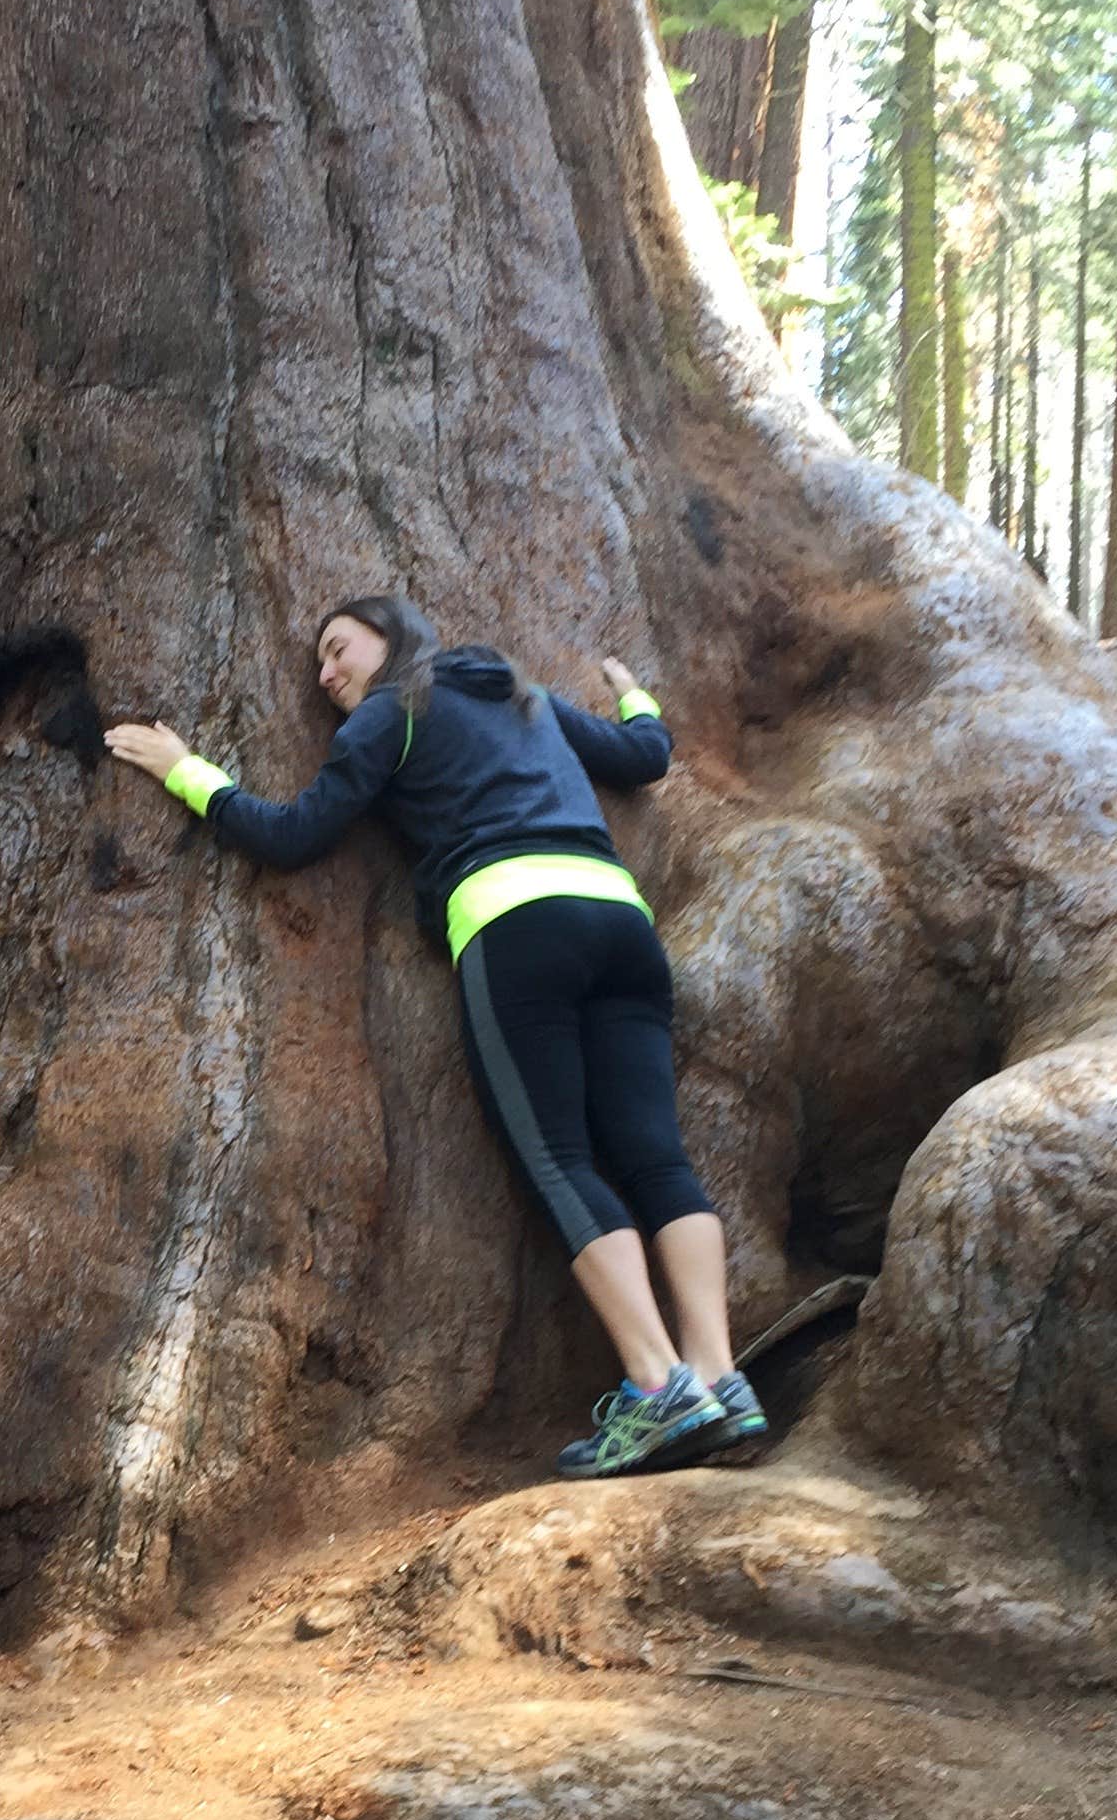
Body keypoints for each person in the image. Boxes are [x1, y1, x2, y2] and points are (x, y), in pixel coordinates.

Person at [104, 594, 763, 1479]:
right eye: (321, 668)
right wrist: (635, 694)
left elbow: (294, 834)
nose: (329, 675)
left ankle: (659, 1386)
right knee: (657, 1159)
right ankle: (722, 1380)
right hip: (622, 922)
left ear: (392, 635)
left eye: (338, 649)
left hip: (516, 920)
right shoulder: (517, 692)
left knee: (559, 1158)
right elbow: (645, 757)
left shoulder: (391, 711)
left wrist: (188, 770)